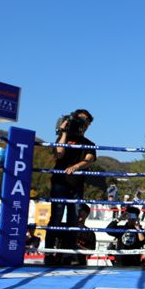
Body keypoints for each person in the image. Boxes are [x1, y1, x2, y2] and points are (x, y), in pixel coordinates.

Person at [44, 109, 96, 266]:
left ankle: (67, 253)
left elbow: (90, 159)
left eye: (87, 121)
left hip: (76, 185)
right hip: (60, 183)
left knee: (74, 219)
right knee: (56, 216)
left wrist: (77, 166)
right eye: (81, 119)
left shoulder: (89, 143)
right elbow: (59, 153)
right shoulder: (62, 138)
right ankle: (49, 252)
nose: (84, 123)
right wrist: (64, 132)